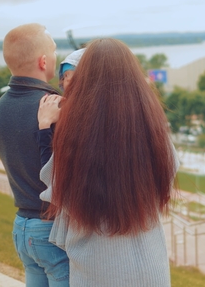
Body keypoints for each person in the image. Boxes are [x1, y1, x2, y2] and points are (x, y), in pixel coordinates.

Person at [37, 38, 177, 286]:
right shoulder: (152, 125)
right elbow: (170, 171)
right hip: (150, 269)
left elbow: (56, 191)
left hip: (95, 269)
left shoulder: (73, 131)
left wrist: (45, 128)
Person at [0, 23, 69, 287]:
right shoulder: (53, 106)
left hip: (22, 228)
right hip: (52, 230)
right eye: (54, 52)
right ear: (43, 60)